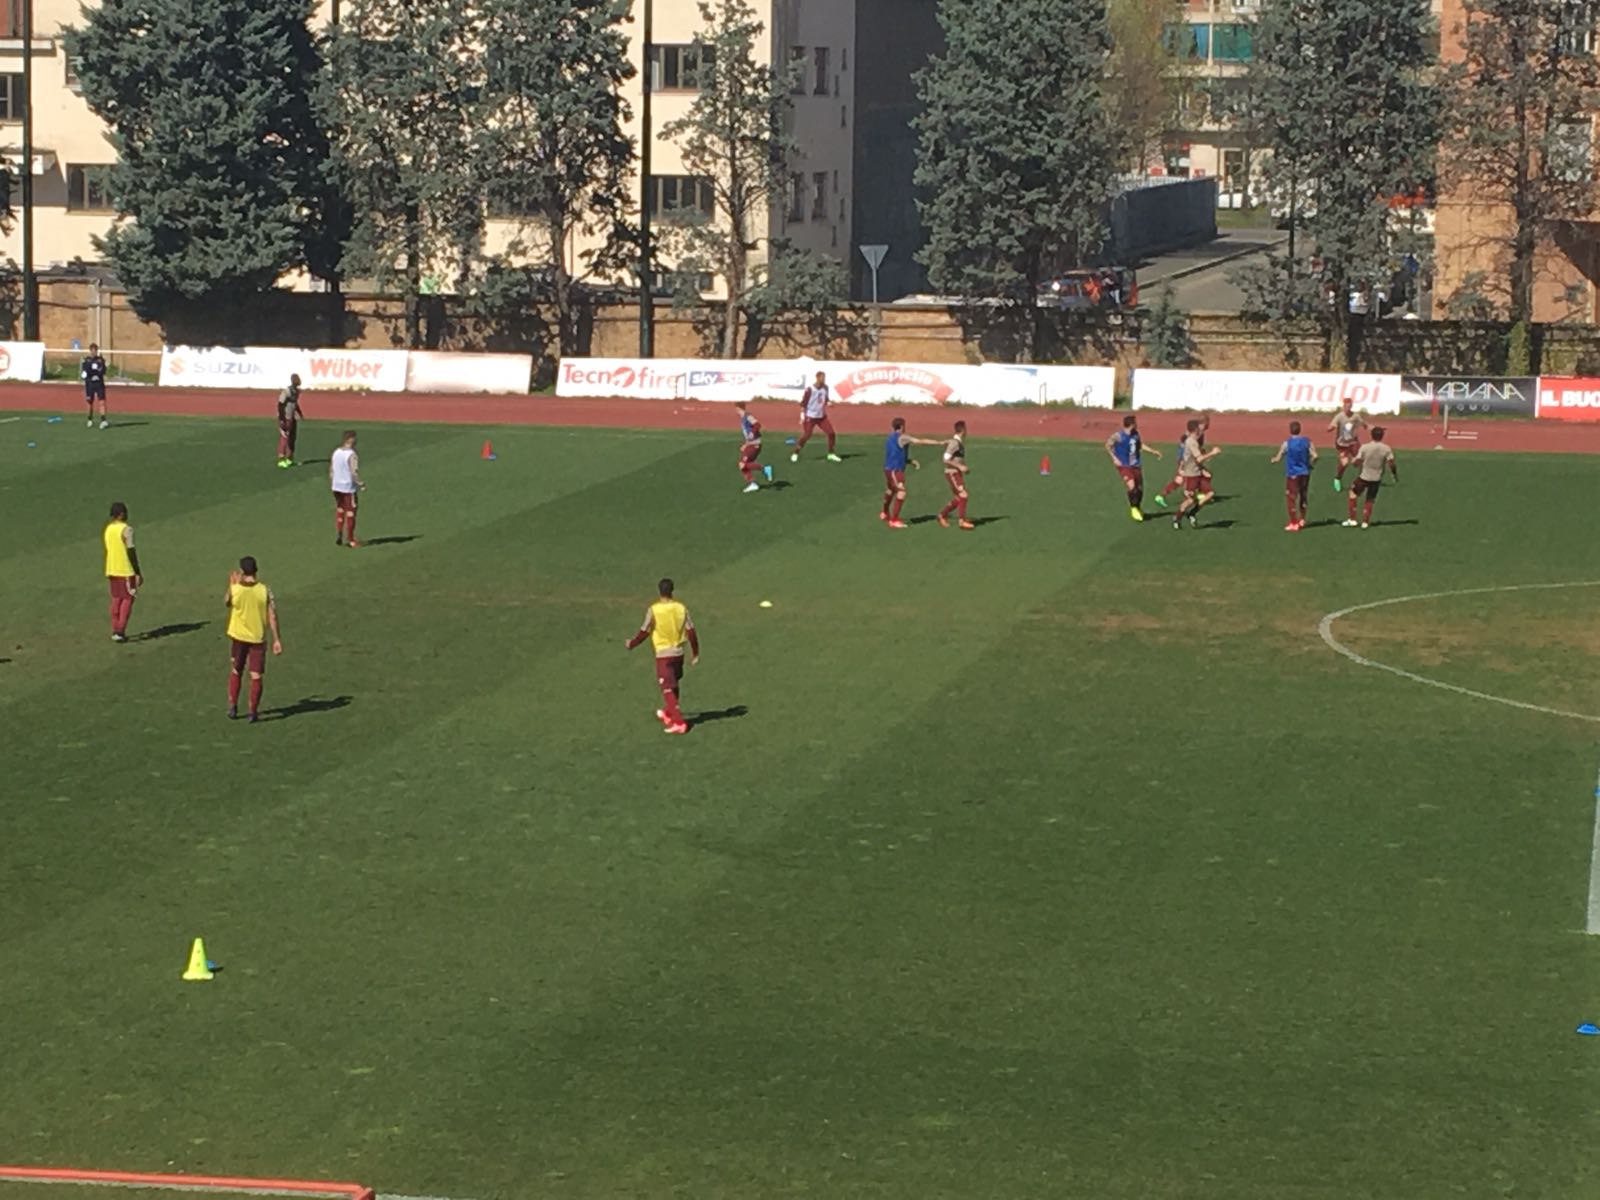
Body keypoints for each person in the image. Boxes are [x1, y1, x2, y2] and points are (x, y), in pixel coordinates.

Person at [624, 578, 700, 735]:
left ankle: (679, 723)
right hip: (678, 653)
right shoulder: (681, 608)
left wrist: (632, 643)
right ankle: (668, 712)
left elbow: (644, 631)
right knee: (673, 685)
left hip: (663, 655)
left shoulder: (654, 610)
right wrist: (695, 652)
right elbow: (691, 631)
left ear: (659, 591)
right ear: (672, 591)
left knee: (666, 688)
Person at [224, 556, 283, 723]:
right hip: (257, 638)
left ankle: (233, 706)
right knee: (256, 675)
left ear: (242, 571)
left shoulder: (236, 589)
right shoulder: (264, 590)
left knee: (236, 670)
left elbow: (227, 602)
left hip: (238, 637)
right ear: (256, 570)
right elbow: (272, 615)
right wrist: (276, 639)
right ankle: (253, 712)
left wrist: (231, 585)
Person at [880, 417, 945, 529]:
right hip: (895, 470)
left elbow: (895, 453)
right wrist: (938, 442)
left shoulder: (890, 437)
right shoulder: (903, 437)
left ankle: (885, 513)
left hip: (889, 469)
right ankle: (894, 520)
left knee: (891, 490)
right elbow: (920, 441)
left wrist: (909, 461)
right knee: (901, 492)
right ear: (901, 426)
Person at [1105, 413, 1162, 523]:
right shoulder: (1119, 436)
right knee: (1132, 486)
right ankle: (1133, 508)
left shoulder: (1135, 434)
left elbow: (1140, 445)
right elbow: (1108, 445)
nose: (1137, 424)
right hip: (1124, 465)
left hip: (1135, 464)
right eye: (1135, 423)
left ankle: (1137, 507)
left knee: (1139, 490)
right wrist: (1114, 458)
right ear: (1131, 424)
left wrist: (1153, 451)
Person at [102, 501, 143, 643]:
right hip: (125, 569)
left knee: (116, 599)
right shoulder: (127, 530)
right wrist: (137, 572)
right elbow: (130, 551)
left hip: (111, 568)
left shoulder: (108, 529)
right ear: (121, 514)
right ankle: (119, 631)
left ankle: (115, 628)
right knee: (128, 599)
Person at [1172, 419, 1221, 530]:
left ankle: (1192, 513)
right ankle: (1177, 517)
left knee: (1210, 493)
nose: (1201, 430)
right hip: (1191, 475)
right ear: (1195, 430)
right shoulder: (1191, 442)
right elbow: (1199, 459)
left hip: (1198, 473)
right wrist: (1212, 453)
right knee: (1190, 500)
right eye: (1199, 428)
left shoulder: (1194, 441)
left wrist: (1203, 469)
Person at [1269, 420, 1318, 531]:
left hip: (1293, 474)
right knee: (1303, 495)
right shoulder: (1307, 442)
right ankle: (1302, 519)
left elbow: (1279, 456)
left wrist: (1274, 459)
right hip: (1305, 473)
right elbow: (1315, 455)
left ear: (1290, 430)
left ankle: (1293, 522)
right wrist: (1310, 464)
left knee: (1291, 498)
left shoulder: (1287, 443)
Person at [1344, 425, 1397, 528]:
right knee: (1370, 499)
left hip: (1364, 476)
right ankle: (1365, 522)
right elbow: (1391, 463)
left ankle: (1352, 519)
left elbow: (1357, 462)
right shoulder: (1386, 448)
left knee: (1353, 493)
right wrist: (1394, 474)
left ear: (1371, 435)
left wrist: (1354, 461)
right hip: (1376, 478)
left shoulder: (1365, 447)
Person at [792, 371, 841, 463]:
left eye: (824, 378)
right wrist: (802, 416)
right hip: (810, 416)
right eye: (822, 378)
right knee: (807, 435)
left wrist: (829, 403)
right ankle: (796, 452)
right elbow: (803, 403)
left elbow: (825, 399)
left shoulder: (825, 388)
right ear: (817, 378)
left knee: (831, 433)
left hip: (821, 416)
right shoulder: (810, 389)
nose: (823, 379)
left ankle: (831, 454)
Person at [330, 430, 365, 547]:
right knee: (351, 512)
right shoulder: (352, 454)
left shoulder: (336, 452)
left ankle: (339, 532)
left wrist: (333, 482)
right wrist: (360, 483)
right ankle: (351, 539)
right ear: (350, 440)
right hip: (348, 487)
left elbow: (331, 469)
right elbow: (354, 471)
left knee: (340, 509)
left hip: (336, 486)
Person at [938, 420, 975, 530]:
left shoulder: (957, 442)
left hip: (956, 473)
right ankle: (961, 521)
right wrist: (960, 466)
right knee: (963, 495)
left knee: (959, 498)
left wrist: (962, 468)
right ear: (963, 430)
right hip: (952, 473)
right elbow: (945, 459)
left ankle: (942, 515)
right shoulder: (955, 443)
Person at [1328, 399, 1367, 492]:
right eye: (1346, 406)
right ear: (1343, 406)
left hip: (1353, 443)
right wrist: (1331, 428)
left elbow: (1364, 424)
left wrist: (1370, 427)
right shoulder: (1339, 416)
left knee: (1359, 462)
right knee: (1344, 463)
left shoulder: (1355, 416)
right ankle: (1337, 479)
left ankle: (1363, 481)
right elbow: (1330, 426)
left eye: (1349, 406)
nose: (1348, 408)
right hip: (1342, 444)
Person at [735, 401, 774, 493]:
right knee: (743, 466)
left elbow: (757, 425)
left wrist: (753, 433)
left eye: (736, 409)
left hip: (755, 444)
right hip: (751, 444)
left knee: (742, 464)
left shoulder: (748, 416)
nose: (736, 411)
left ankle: (765, 468)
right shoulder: (743, 418)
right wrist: (745, 444)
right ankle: (753, 484)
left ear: (739, 409)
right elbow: (748, 435)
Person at [276, 374, 306, 469]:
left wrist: (299, 413)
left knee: (292, 438)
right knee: (284, 437)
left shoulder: (296, 392)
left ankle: (289, 458)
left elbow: (295, 403)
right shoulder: (287, 392)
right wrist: (282, 419)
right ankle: (281, 459)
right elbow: (280, 405)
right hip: (286, 418)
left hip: (292, 418)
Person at [82, 343, 107, 429]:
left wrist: (96, 372)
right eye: (92, 351)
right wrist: (91, 373)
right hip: (90, 384)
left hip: (99, 384)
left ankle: (103, 420)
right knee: (90, 402)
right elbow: (85, 372)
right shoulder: (87, 360)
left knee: (102, 401)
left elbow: (102, 371)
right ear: (90, 351)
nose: (93, 352)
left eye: (95, 351)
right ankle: (90, 419)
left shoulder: (100, 360)